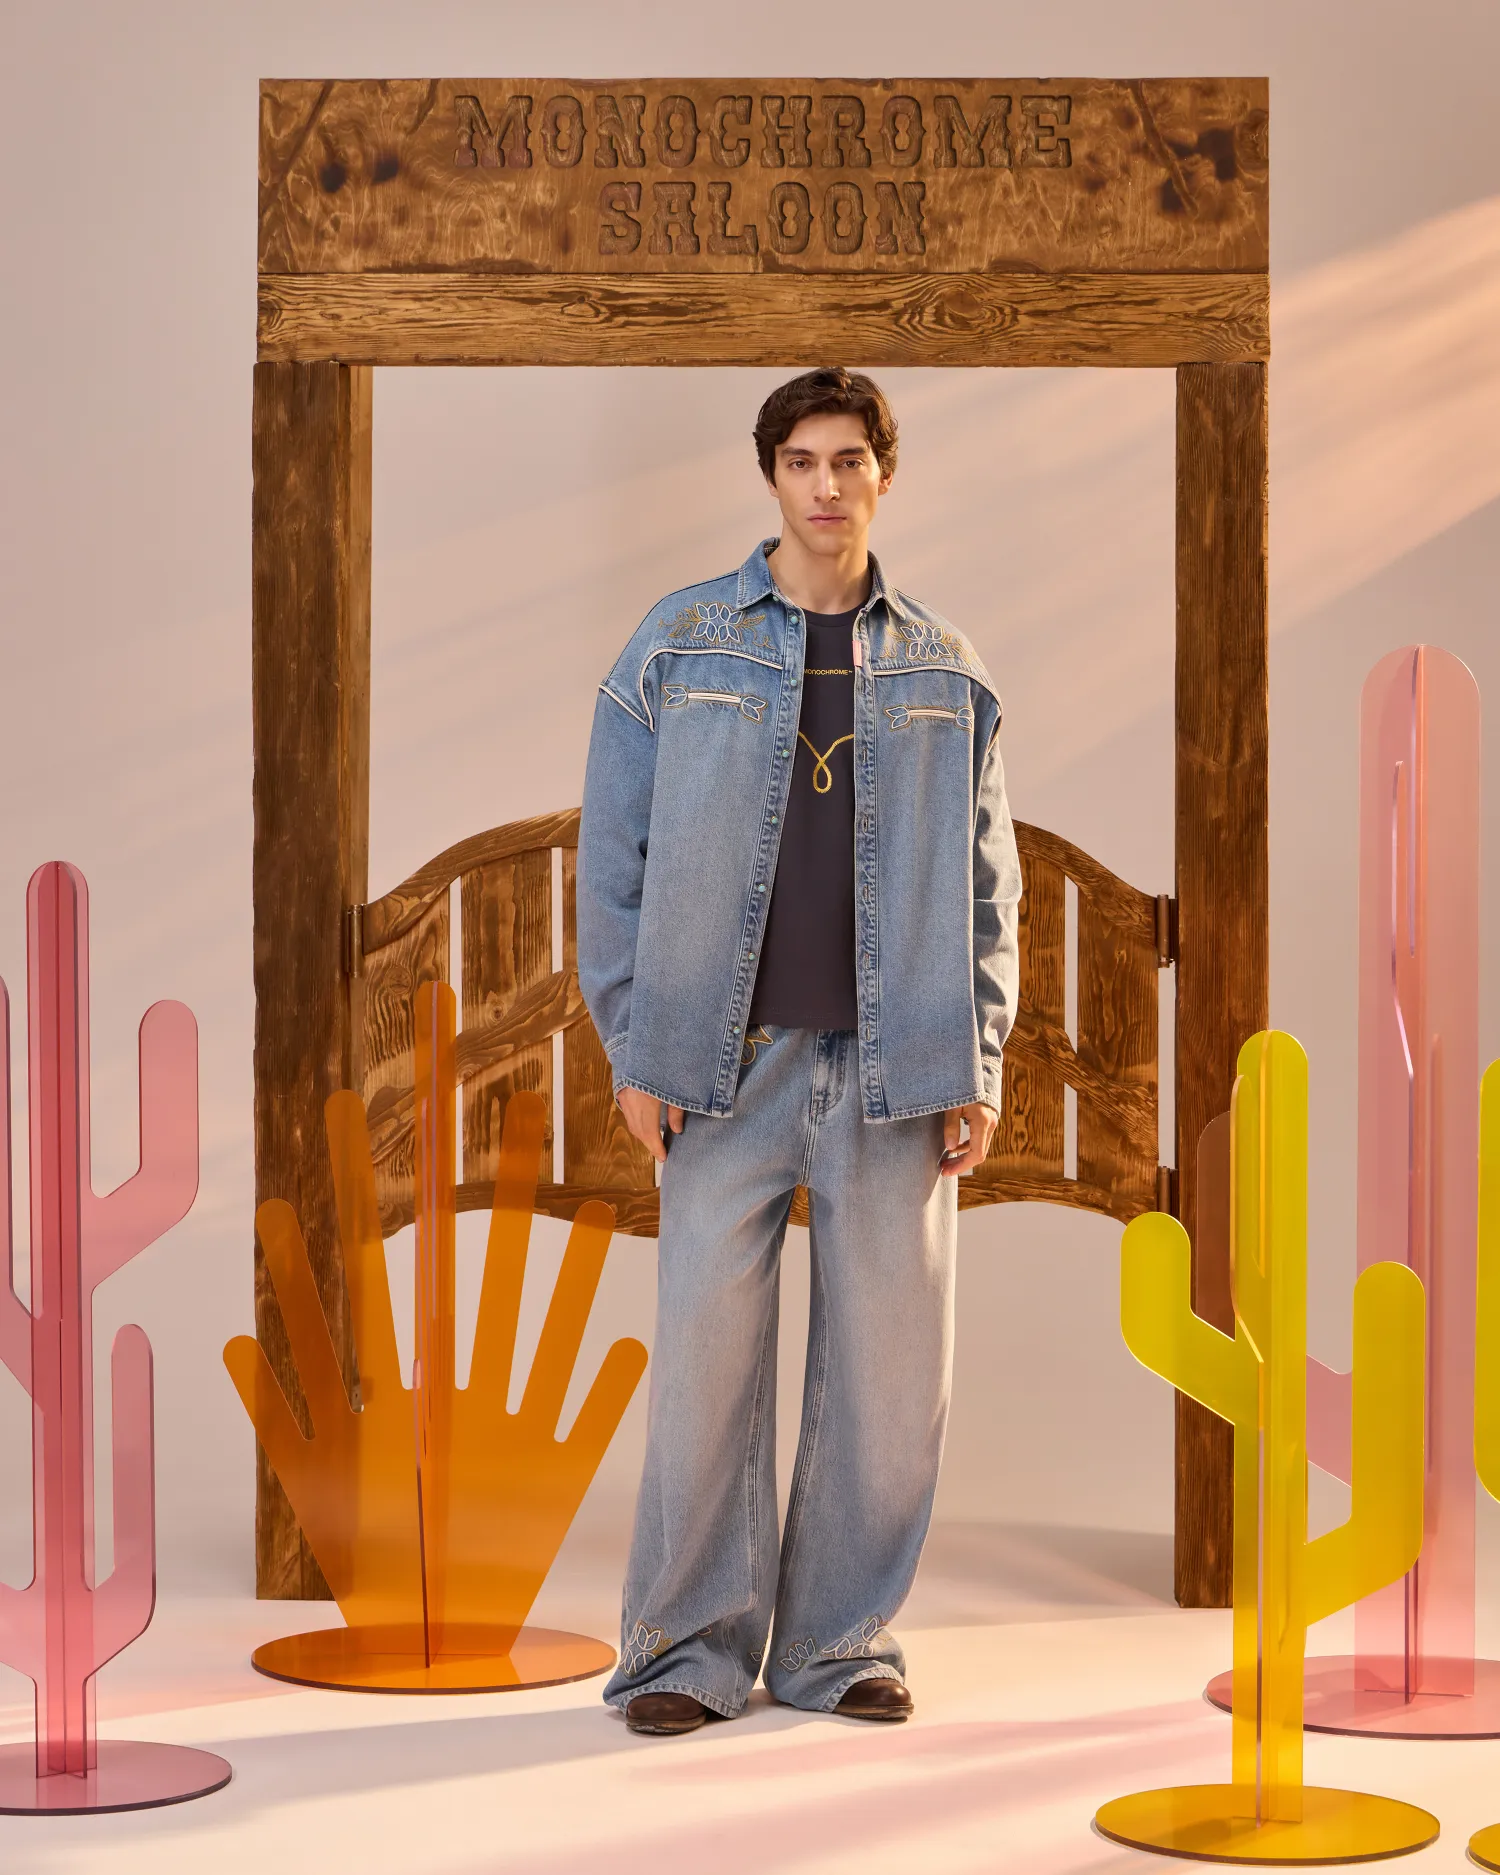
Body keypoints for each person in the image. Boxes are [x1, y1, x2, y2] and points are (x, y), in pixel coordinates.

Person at [577, 367, 1021, 1735]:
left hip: (901, 1068)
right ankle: (685, 1656)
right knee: (706, 1372)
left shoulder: (946, 668)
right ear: (772, 476)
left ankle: (838, 1643)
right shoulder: (680, 647)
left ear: (885, 474)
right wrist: (636, 1045)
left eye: (849, 461)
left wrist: (980, 1058)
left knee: (892, 1383)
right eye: (802, 463)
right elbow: (612, 862)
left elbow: (990, 884)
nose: (827, 487)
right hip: (725, 1065)